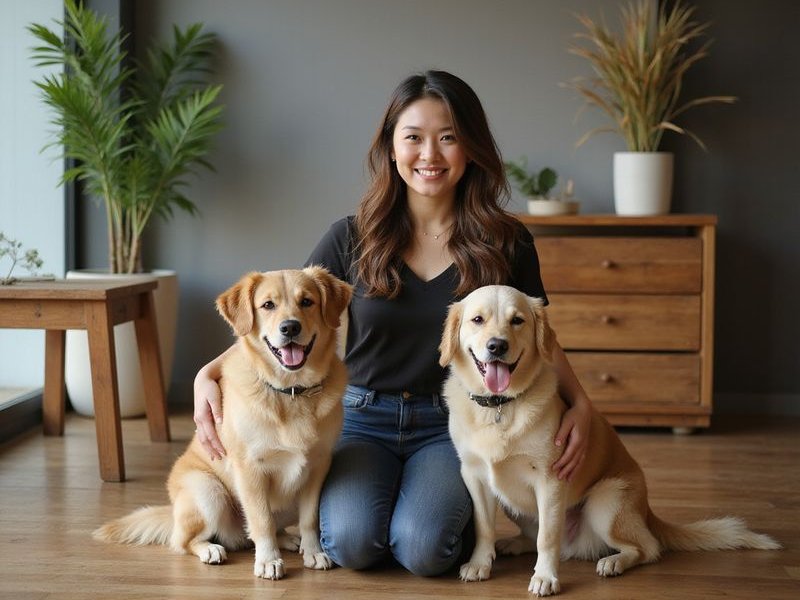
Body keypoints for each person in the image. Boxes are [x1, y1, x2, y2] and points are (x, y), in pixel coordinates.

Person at [193, 70, 592, 577]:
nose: (430, 154)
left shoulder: (506, 241)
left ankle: (455, 510)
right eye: (414, 138)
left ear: (471, 147)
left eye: (448, 137)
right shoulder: (350, 237)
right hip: (362, 417)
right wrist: (209, 371)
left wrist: (579, 404)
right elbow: (280, 316)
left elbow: (538, 338)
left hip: (454, 422)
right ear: (390, 147)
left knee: (426, 550)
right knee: (355, 545)